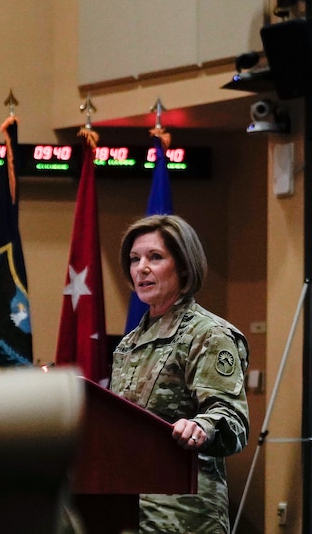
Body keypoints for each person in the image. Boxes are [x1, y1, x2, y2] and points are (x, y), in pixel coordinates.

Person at [109, 214, 250, 533]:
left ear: (184, 266)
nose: (141, 268)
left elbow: (232, 420)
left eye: (155, 257)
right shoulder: (129, 342)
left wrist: (201, 427)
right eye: (134, 259)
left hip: (185, 515)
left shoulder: (209, 334)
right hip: (128, 509)